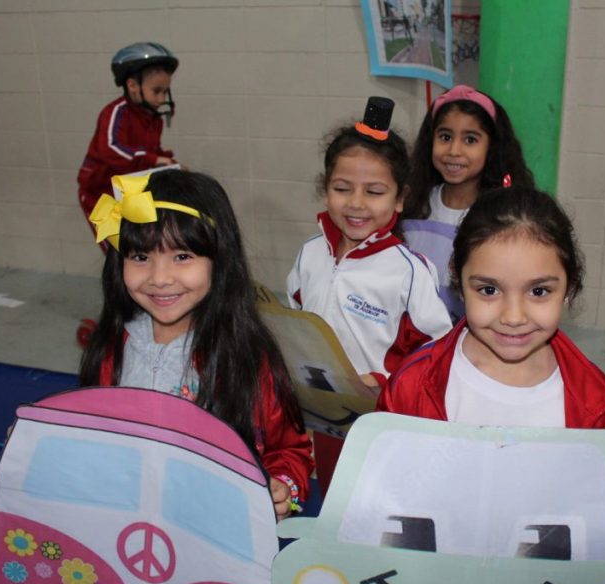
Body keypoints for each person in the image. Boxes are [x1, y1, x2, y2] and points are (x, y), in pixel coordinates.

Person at [379, 186, 605, 584]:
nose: (513, 316)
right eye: (488, 290)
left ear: (569, 287)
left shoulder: (590, 396)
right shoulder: (417, 383)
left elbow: (603, 506)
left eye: (539, 291)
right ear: (458, 282)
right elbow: (383, 488)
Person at [79, 169, 313, 519]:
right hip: (123, 522)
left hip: (212, 526)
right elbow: (90, 436)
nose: (159, 278)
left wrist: (284, 489)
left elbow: (289, 451)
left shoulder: (245, 357)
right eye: (141, 257)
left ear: (219, 260)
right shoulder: (112, 346)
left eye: (182, 256)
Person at [286, 96, 452, 389]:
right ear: (325, 190)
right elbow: (295, 324)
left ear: (399, 199)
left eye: (374, 192)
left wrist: (381, 381)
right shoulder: (309, 253)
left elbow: (436, 353)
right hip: (316, 400)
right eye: (342, 188)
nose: (356, 203)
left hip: (378, 406)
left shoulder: (409, 273)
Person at [401, 85, 535, 321]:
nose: (454, 151)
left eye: (470, 140)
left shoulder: (501, 215)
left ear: (492, 148)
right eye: (445, 137)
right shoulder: (413, 204)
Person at [77, 42, 181, 249]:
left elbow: (149, 153)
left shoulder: (153, 119)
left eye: (165, 91)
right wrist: (154, 159)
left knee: (142, 249)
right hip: (101, 194)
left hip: (130, 192)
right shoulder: (117, 112)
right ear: (132, 85)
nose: (162, 98)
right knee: (117, 252)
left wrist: (169, 164)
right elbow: (111, 149)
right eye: (156, 91)